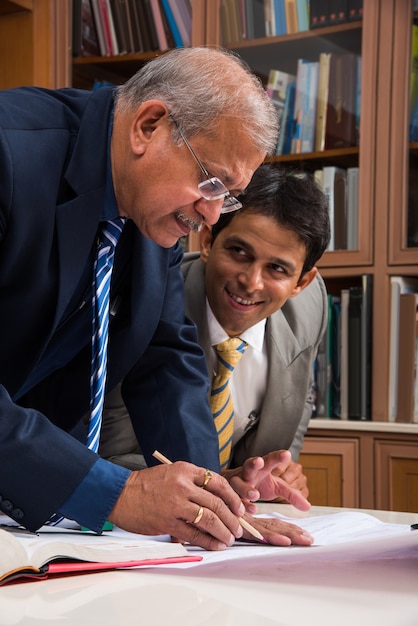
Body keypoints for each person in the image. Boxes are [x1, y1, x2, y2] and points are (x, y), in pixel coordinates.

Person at [0, 47, 313, 552]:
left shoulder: (153, 213)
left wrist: (211, 501)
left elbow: (163, 358)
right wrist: (115, 492)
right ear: (149, 126)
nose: (213, 216)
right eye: (211, 182)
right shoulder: (8, 152)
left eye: (228, 195)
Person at [99, 165, 330, 507]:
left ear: (301, 283)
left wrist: (275, 475)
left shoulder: (311, 308)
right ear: (207, 241)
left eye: (277, 269)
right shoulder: (147, 301)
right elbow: (110, 456)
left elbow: (295, 404)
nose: (251, 282)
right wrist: (219, 482)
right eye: (239, 252)